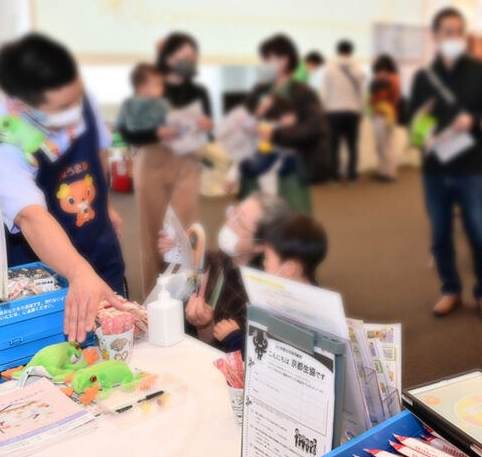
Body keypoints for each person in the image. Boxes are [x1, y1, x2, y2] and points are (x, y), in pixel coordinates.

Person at [0, 33, 126, 341]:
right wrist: (80, 273)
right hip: (47, 273)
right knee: (65, 361)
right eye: (63, 107)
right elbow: (30, 216)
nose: (75, 110)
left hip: (100, 247)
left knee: (118, 341)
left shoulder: (76, 97)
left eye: (77, 99)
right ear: (20, 105)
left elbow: (98, 148)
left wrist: (105, 205)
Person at [410, 7, 482, 321]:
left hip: (471, 166)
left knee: (480, 233)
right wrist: (423, 133)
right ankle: (450, 289)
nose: (454, 37)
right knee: (440, 235)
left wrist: (473, 120)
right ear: (435, 35)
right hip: (435, 169)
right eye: (447, 31)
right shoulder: (425, 77)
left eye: (459, 31)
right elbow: (413, 118)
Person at [120, 32, 214, 297]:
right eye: (181, 56)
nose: (187, 61)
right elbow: (129, 131)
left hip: (186, 163)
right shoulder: (151, 84)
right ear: (168, 56)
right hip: (151, 162)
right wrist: (158, 133)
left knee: (186, 231)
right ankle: (153, 296)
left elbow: (206, 130)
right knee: (152, 233)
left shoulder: (198, 91)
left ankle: (189, 294)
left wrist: (204, 126)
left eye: (191, 57)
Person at [162, 193, 291, 352]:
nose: (230, 222)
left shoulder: (256, 297)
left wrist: (204, 325)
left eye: (240, 223)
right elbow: (202, 260)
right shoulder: (223, 258)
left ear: (260, 245)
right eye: (234, 212)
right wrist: (176, 249)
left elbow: (230, 355)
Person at [188, 211, 328, 353]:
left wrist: (236, 339)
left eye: (267, 257)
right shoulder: (287, 294)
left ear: (288, 269)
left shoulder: (304, 315)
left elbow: (276, 358)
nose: (264, 263)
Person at [242, 34, 330, 211]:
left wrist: (277, 134)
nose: (263, 63)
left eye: (268, 59)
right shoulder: (260, 89)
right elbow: (244, 119)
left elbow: (314, 128)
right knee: (255, 223)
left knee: (290, 222)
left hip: (288, 172)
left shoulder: (302, 92)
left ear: (284, 60)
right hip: (258, 167)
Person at [322, 40, 366, 182]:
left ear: (337, 51)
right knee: (352, 145)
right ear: (351, 51)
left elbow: (325, 92)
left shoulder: (329, 68)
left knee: (334, 145)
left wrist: (324, 110)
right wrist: (361, 111)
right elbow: (362, 92)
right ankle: (352, 174)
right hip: (352, 111)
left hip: (333, 111)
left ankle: (335, 176)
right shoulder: (358, 68)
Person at [368, 54, 402, 182]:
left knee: (384, 146)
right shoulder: (395, 78)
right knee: (385, 145)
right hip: (389, 115)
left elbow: (378, 98)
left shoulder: (387, 79)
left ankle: (389, 173)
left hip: (383, 115)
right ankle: (385, 171)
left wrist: (374, 89)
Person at [115, 63, 169, 136]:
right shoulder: (128, 103)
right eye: (157, 85)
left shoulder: (162, 104)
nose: (162, 88)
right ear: (142, 87)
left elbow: (168, 124)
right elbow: (120, 124)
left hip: (155, 141)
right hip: (133, 140)